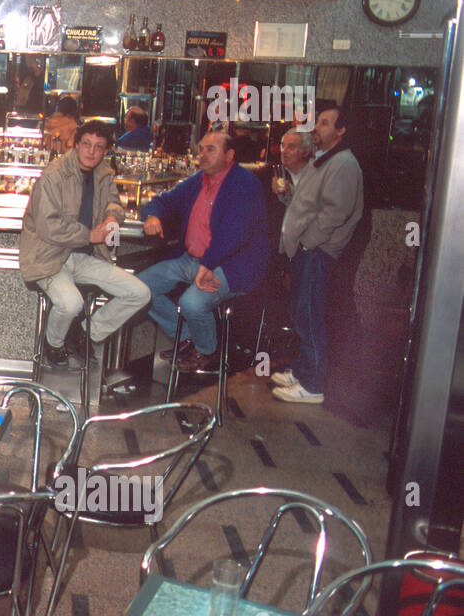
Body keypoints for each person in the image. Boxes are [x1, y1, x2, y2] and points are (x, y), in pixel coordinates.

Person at [137, 129, 269, 372]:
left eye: (211, 149)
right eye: (201, 150)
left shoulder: (245, 184)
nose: (203, 155)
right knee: (138, 289)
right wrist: (153, 215)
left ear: (229, 155)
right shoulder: (198, 180)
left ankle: (206, 350)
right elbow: (162, 200)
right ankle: (189, 337)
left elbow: (235, 233)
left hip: (232, 265)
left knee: (191, 304)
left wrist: (207, 265)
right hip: (191, 260)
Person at [20, 121, 150, 366]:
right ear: (77, 144)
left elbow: (113, 201)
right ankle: (54, 344)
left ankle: (83, 334)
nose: (91, 152)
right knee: (71, 303)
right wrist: (90, 236)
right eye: (87, 144)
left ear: (105, 151)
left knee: (140, 293)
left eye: (99, 147)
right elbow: (48, 227)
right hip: (49, 256)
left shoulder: (103, 173)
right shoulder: (53, 175)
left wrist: (112, 217)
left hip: (85, 257)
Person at [272, 102, 364, 404]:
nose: (317, 127)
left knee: (309, 316)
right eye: (318, 121)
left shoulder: (344, 164)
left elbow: (334, 213)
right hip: (307, 249)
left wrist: (307, 243)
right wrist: (288, 198)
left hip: (317, 251)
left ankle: (312, 385)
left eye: (325, 123)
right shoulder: (323, 160)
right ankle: (303, 371)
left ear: (341, 131)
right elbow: (307, 204)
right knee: (301, 312)